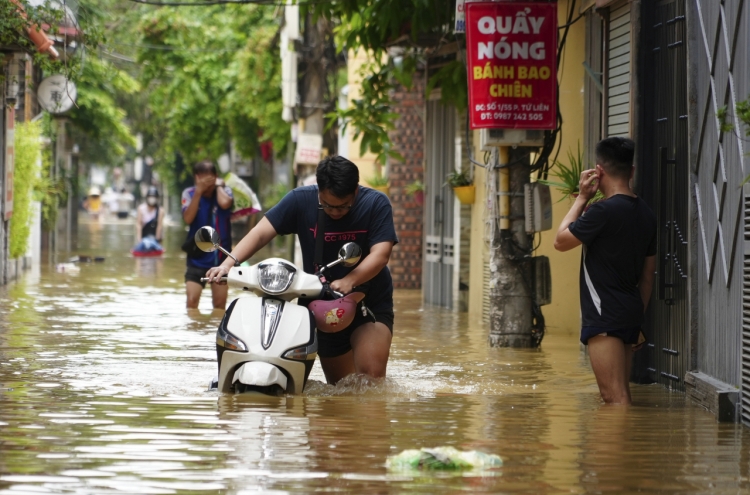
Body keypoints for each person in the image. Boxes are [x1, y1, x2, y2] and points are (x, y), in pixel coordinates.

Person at [205, 156, 398, 385]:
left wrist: (350, 279)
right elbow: (261, 233)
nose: (335, 212)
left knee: (370, 380)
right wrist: (228, 263)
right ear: (319, 191)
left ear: (355, 191)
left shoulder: (376, 204)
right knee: (340, 389)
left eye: (343, 205)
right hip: (321, 303)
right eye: (327, 205)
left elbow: (381, 254)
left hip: (367, 299)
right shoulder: (300, 200)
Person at [553, 137, 656, 405]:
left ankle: (611, 447)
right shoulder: (646, 213)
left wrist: (582, 198)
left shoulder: (601, 211)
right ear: (631, 171)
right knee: (622, 394)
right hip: (630, 311)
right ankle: (621, 446)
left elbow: (560, 241)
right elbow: (647, 276)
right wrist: (636, 318)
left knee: (613, 398)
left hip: (604, 314)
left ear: (599, 171)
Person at [182, 160, 234, 310]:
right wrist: (199, 191)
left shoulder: (225, 191)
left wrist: (217, 186)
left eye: (210, 179)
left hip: (221, 259)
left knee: (219, 306)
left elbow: (225, 204)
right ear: (196, 178)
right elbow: (187, 218)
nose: (206, 183)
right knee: (191, 302)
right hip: (197, 258)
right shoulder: (189, 194)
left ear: (216, 177)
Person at [133, 186, 165, 254]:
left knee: (155, 247)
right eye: (150, 196)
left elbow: (159, 226)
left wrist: (157, 241)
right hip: (144, 238)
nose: (152, 198)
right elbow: (138, 225)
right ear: (147, 197)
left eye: (154, 196)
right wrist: (139, 240)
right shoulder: (141, 208)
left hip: (154, 238)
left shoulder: (160, 210)